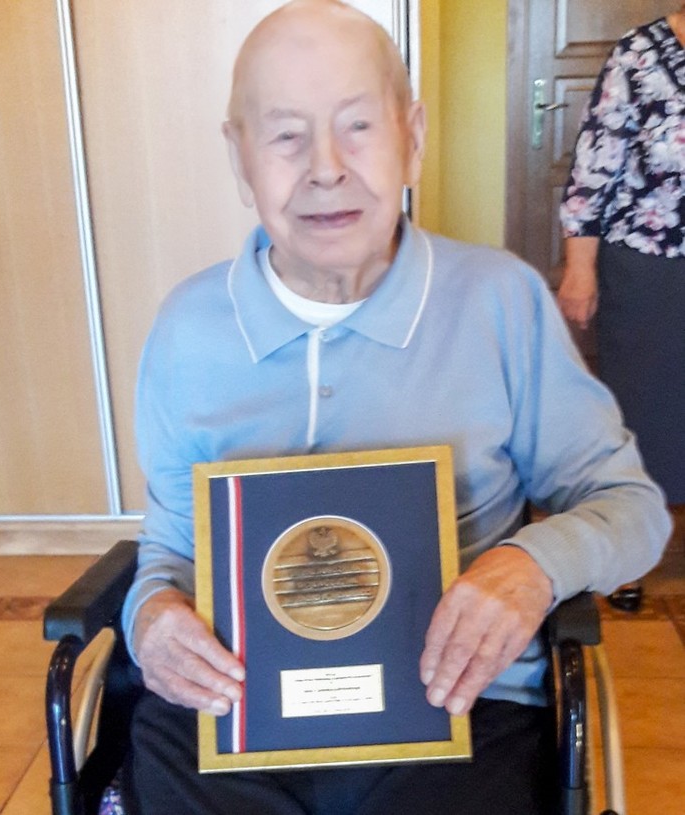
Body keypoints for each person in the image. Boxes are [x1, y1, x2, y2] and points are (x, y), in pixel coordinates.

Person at [120, 2, 671, 813]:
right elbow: (170, 544)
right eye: (285, 136)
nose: (326, 168)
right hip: (235, 709)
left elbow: (633, 508)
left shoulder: (499, 301)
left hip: (463, 705)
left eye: (358, 126)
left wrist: (531, 565)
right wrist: (152, 616)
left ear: (412, 136)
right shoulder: (187, 328)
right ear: (239, 157)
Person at [558, 6, 685, 610]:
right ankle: (633, 551)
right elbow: (594, 168)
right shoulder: (638, 54)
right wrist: (579, 268)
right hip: (646, 263)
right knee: (642, 411)